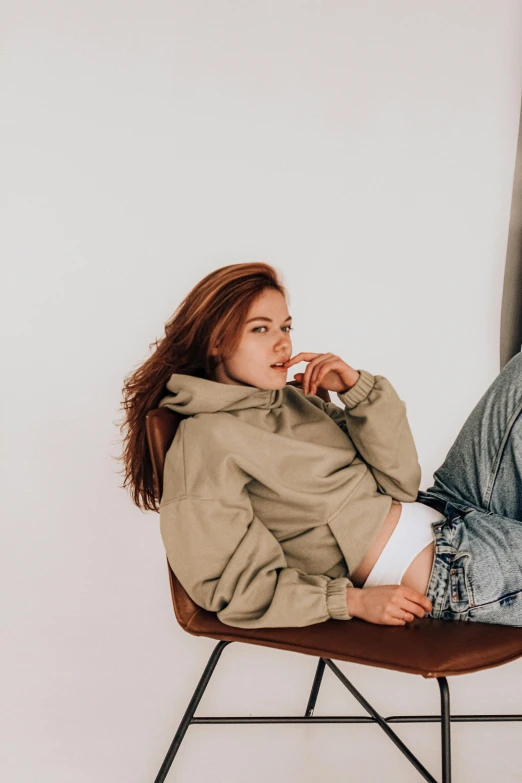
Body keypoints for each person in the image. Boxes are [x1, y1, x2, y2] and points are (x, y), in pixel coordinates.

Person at [117, 261, 522, 629]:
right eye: (261, 329)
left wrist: (357, 392)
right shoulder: (206, 441)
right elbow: (229, 585)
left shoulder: (291, 401)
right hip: (448, 573)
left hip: (448, 508)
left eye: (285, 327)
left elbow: (398, 482)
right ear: (215, 342)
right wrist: (350, 601)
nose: (282, 344)